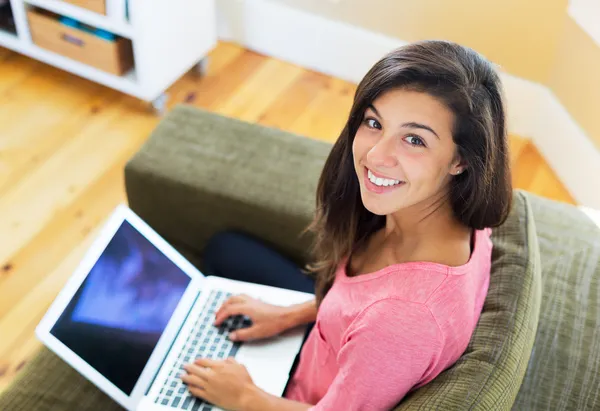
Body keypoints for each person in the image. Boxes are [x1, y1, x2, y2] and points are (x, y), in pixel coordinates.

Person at [180, 40, 512, 411]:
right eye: (374, 123)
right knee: (225, 248)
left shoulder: (402, 321)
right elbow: (357, 307)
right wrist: (290, 315)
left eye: (414, 139)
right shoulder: (451, 216)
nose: (375, 155)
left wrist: (243, 396)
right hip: (325, 343)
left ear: (461, 160)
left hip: (299, 397)